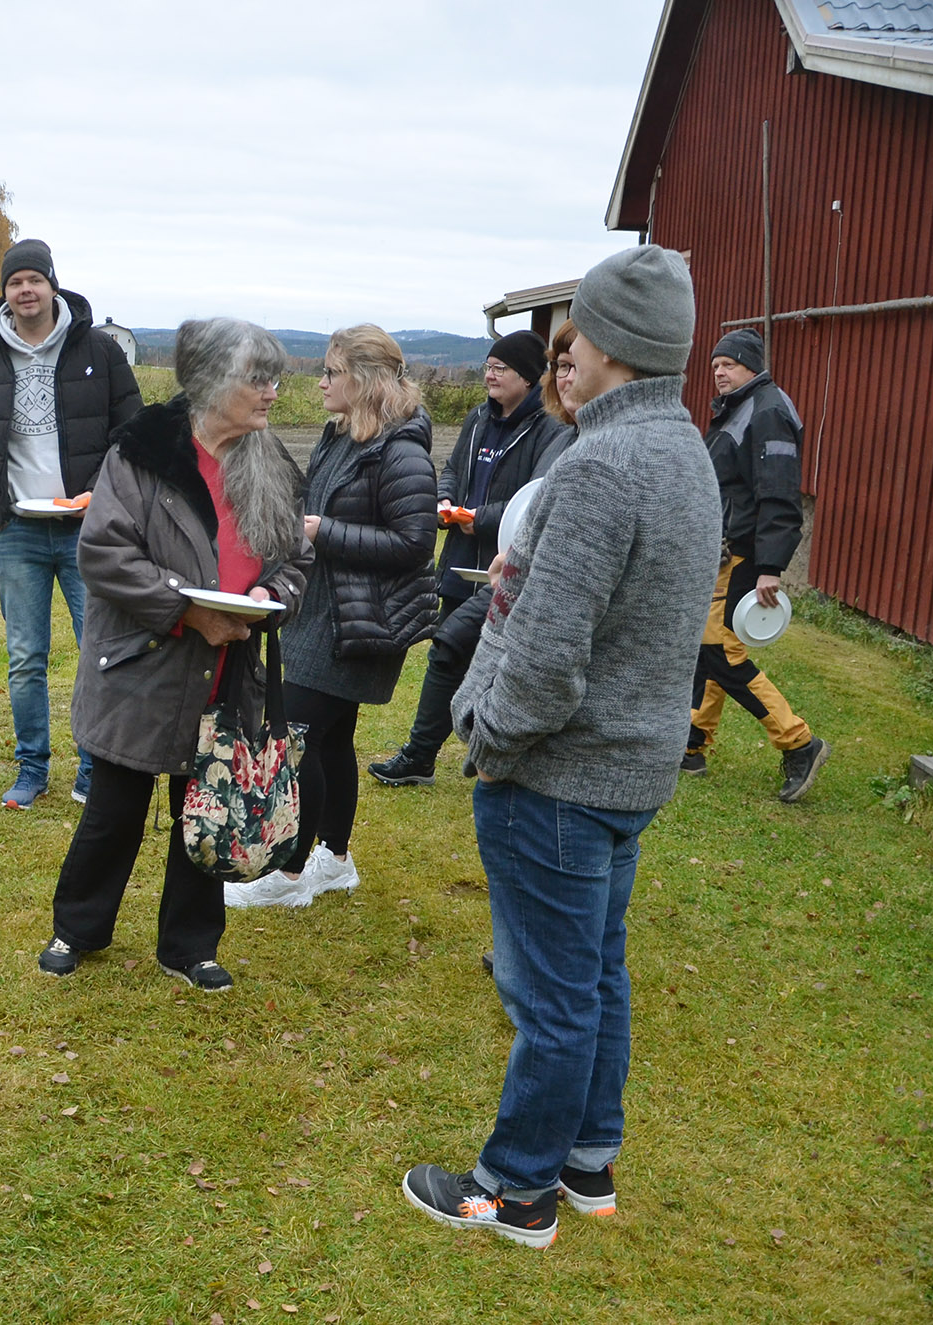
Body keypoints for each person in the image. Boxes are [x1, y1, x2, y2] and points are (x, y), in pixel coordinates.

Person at [402, 245, 721, 1248]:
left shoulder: (601, 464)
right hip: (627, 772)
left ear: (614, 344)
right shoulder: (683, 452)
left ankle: (514, 1190)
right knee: (593, 974)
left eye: (572, 333)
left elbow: (545, 657)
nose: (557, 350)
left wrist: (485, 736)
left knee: (550, 991)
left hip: (555, 776)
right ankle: (587, 1159)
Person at [35, 318, 312, 992]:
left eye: (274, 377)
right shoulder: (142, 451)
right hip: (143, 664)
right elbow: (103, 553)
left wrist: (271, 595)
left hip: (228, 667)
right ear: (212, 380)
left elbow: (294, 560)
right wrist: (188, 609)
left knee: (207, 804)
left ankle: (190, 946)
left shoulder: (270, 462)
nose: (271, 392)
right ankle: (78, 927)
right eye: (257, 377)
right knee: (115, 809)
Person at [225, 325, 437, 907]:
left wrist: (325, 531)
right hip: (320, 610)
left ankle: (289, 876)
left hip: (359, 620)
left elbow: (416, 542)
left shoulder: (401, 449)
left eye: (331, 371)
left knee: (298, 735)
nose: (320, 382)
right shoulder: (340, 434)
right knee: (332, 738)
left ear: (363, 381)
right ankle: (335, 860)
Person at [0, 239, 142, 808]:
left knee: (96, 649)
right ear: (4, 293)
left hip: (89, 531)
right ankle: (31, 768)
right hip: (18, 535)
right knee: (25, 657)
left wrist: (98, 495)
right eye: (14, 282)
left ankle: (92, 768)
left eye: (34, 279)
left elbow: (132, 433)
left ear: (53, 285)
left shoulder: (98, 351)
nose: (25, 291)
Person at [368, 329, 573, 786]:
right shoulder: (477, 419)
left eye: (501, 369)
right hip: (462, 562)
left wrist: (480, 518)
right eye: (488, 366)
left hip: (508, 567)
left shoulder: (551, 429)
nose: (490, 375)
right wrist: (444, 501)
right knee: (451, 650)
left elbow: (537, 498)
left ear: (528, 377)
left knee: (489, 662)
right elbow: (454, 469)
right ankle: (425, 755)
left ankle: (485, 754)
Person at [683, 327, 830, 801]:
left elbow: (779, 493)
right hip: (723, 548)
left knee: (719, 650)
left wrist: (770, 565)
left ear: (751, 365)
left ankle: (799, 742)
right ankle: (693, 743)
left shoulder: (767, 411)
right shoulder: (739, 409)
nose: (719, 373)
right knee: (709, 646)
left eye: (728, 365)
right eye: (715, 367)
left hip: (744, 551)